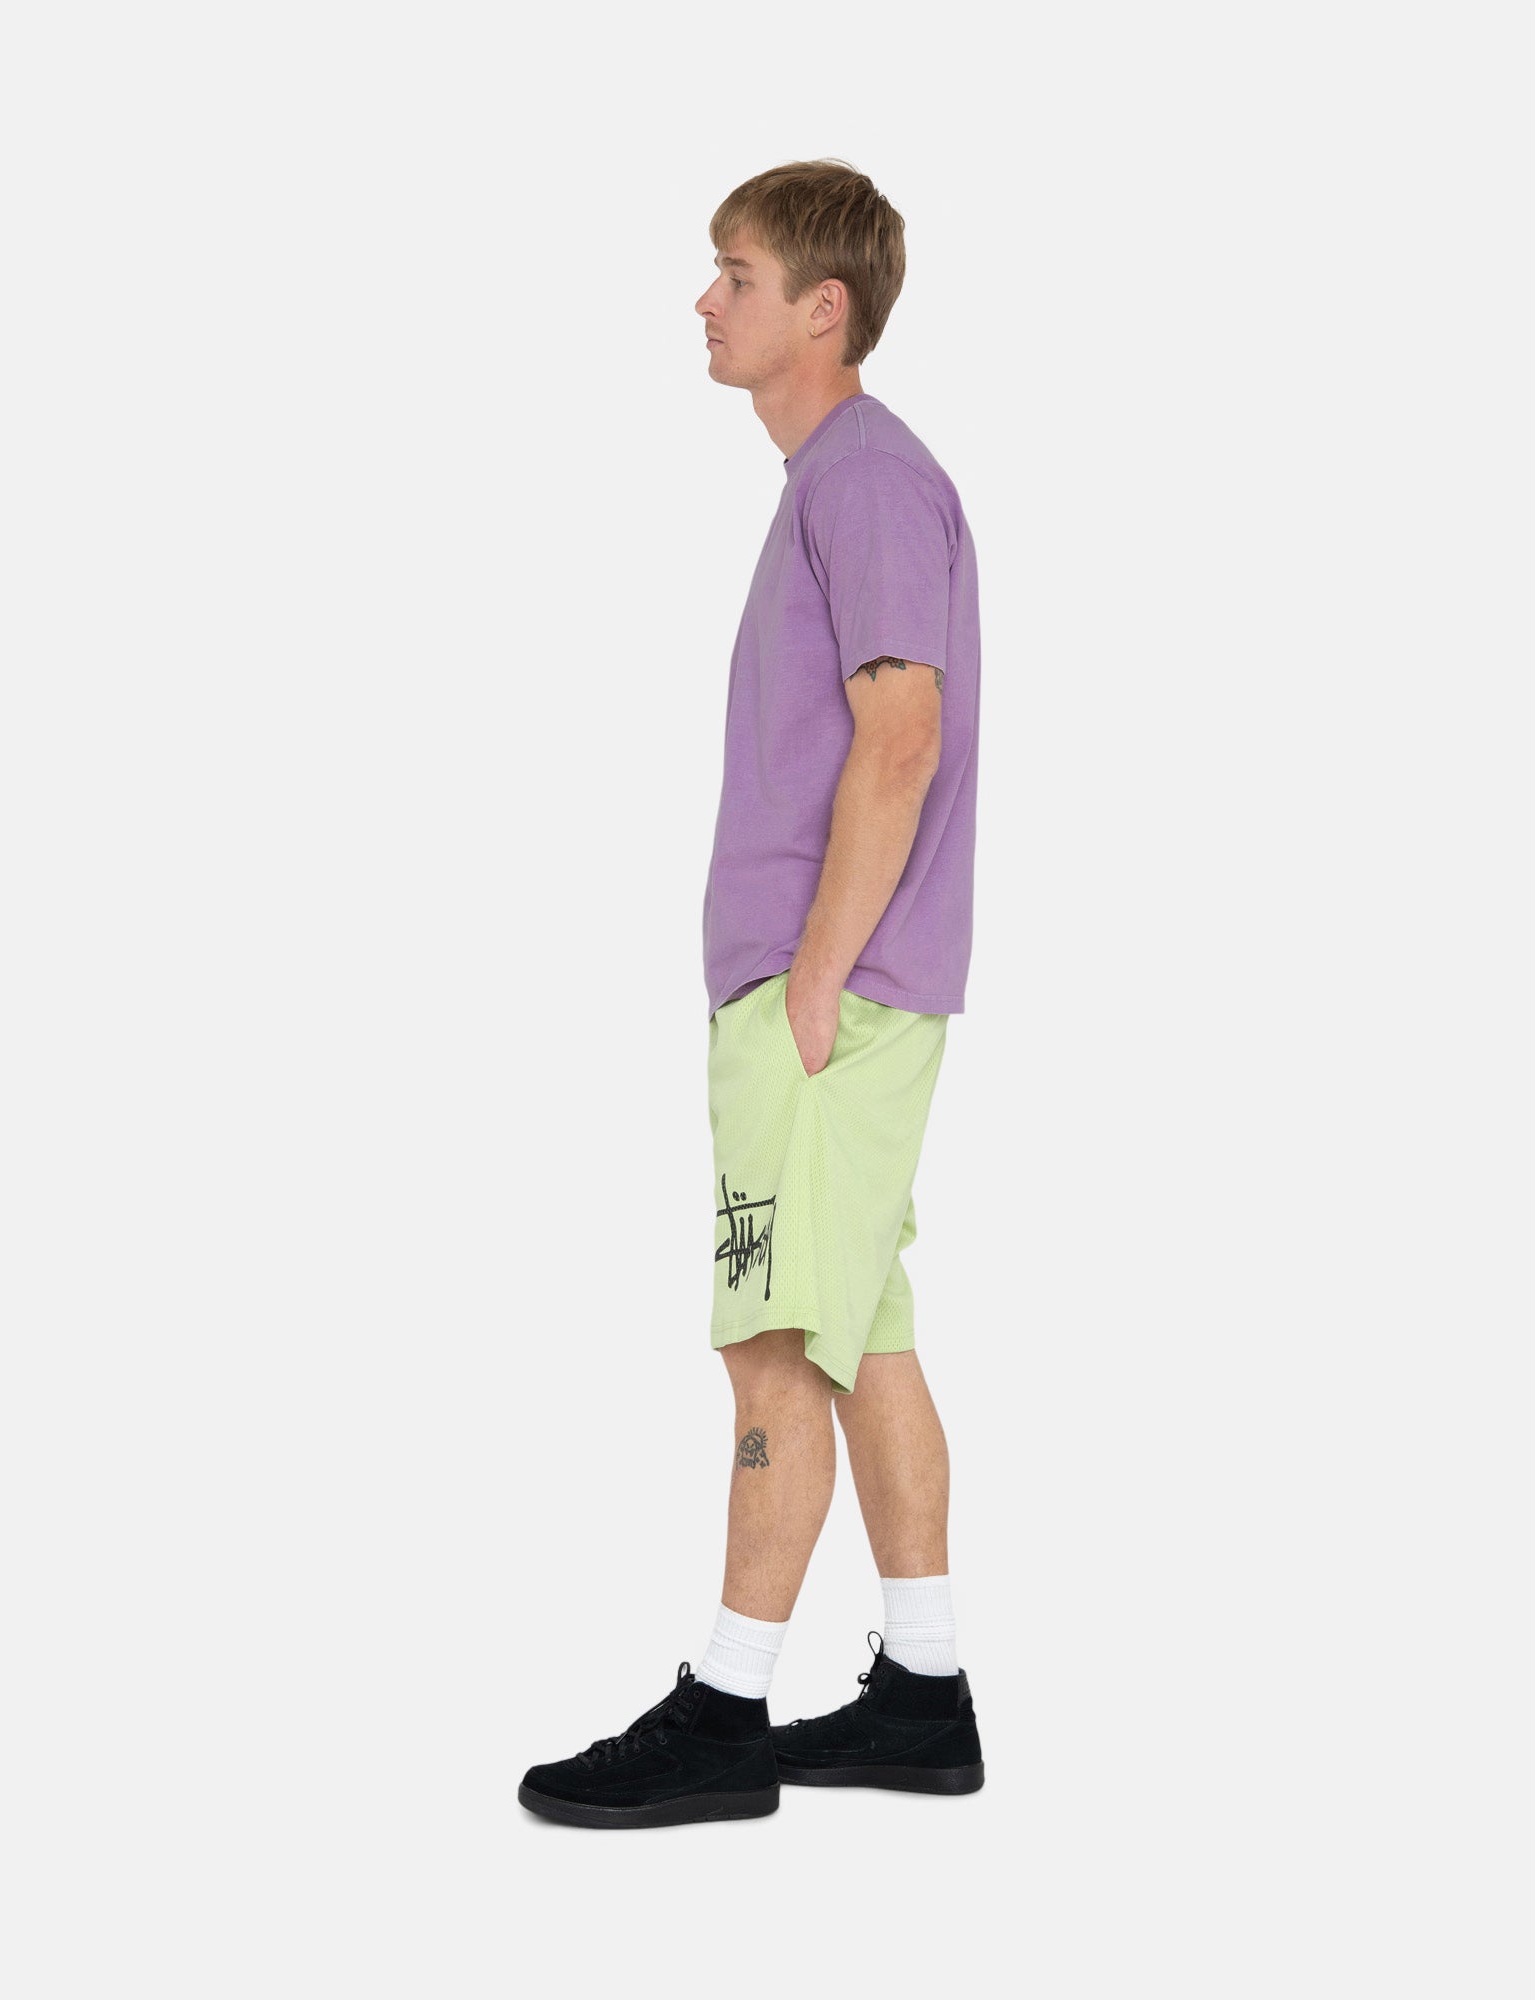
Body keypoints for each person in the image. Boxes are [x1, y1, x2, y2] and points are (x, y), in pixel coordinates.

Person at [519, 160, 984, 1829]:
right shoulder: (840, 484)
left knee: (774, 1345)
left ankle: (724, 1713)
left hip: (824, 1004)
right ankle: (923, 1690)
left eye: (736, 274)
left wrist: (812, 980)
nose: (706, 302)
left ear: (822, 309)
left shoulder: (866, 482)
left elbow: (901, 737)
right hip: (840, 996)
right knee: (864, 1335)